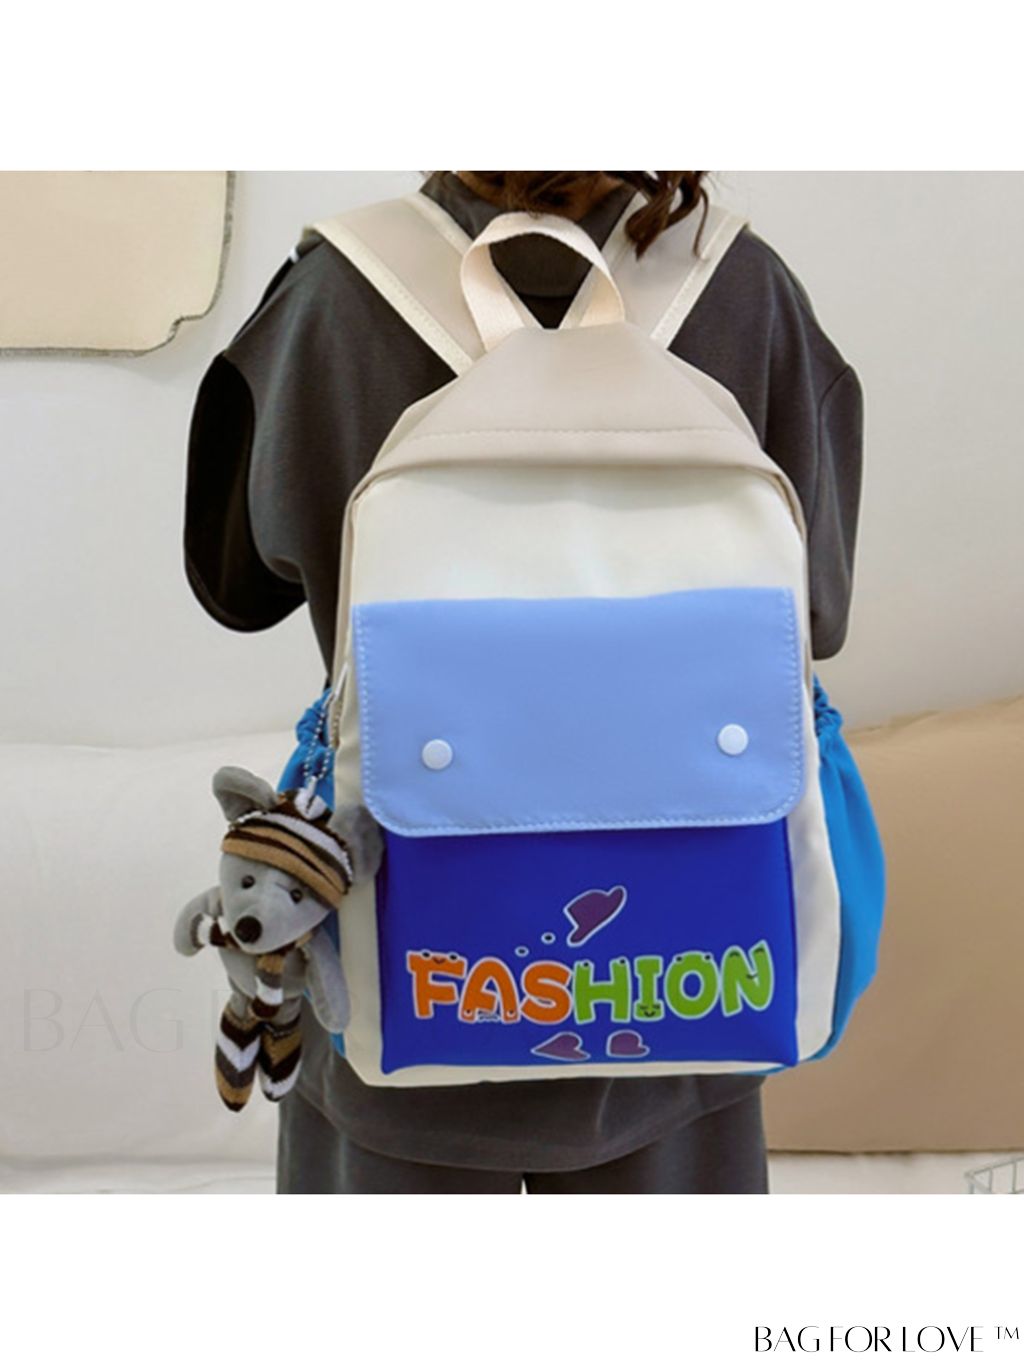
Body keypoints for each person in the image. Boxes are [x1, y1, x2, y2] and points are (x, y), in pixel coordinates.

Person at [183, 170, 864, 1194]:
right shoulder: (745, 291)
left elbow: (235, 587)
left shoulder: (331, 294)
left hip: (393, 960)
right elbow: (818, 616)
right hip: (686, 1012)